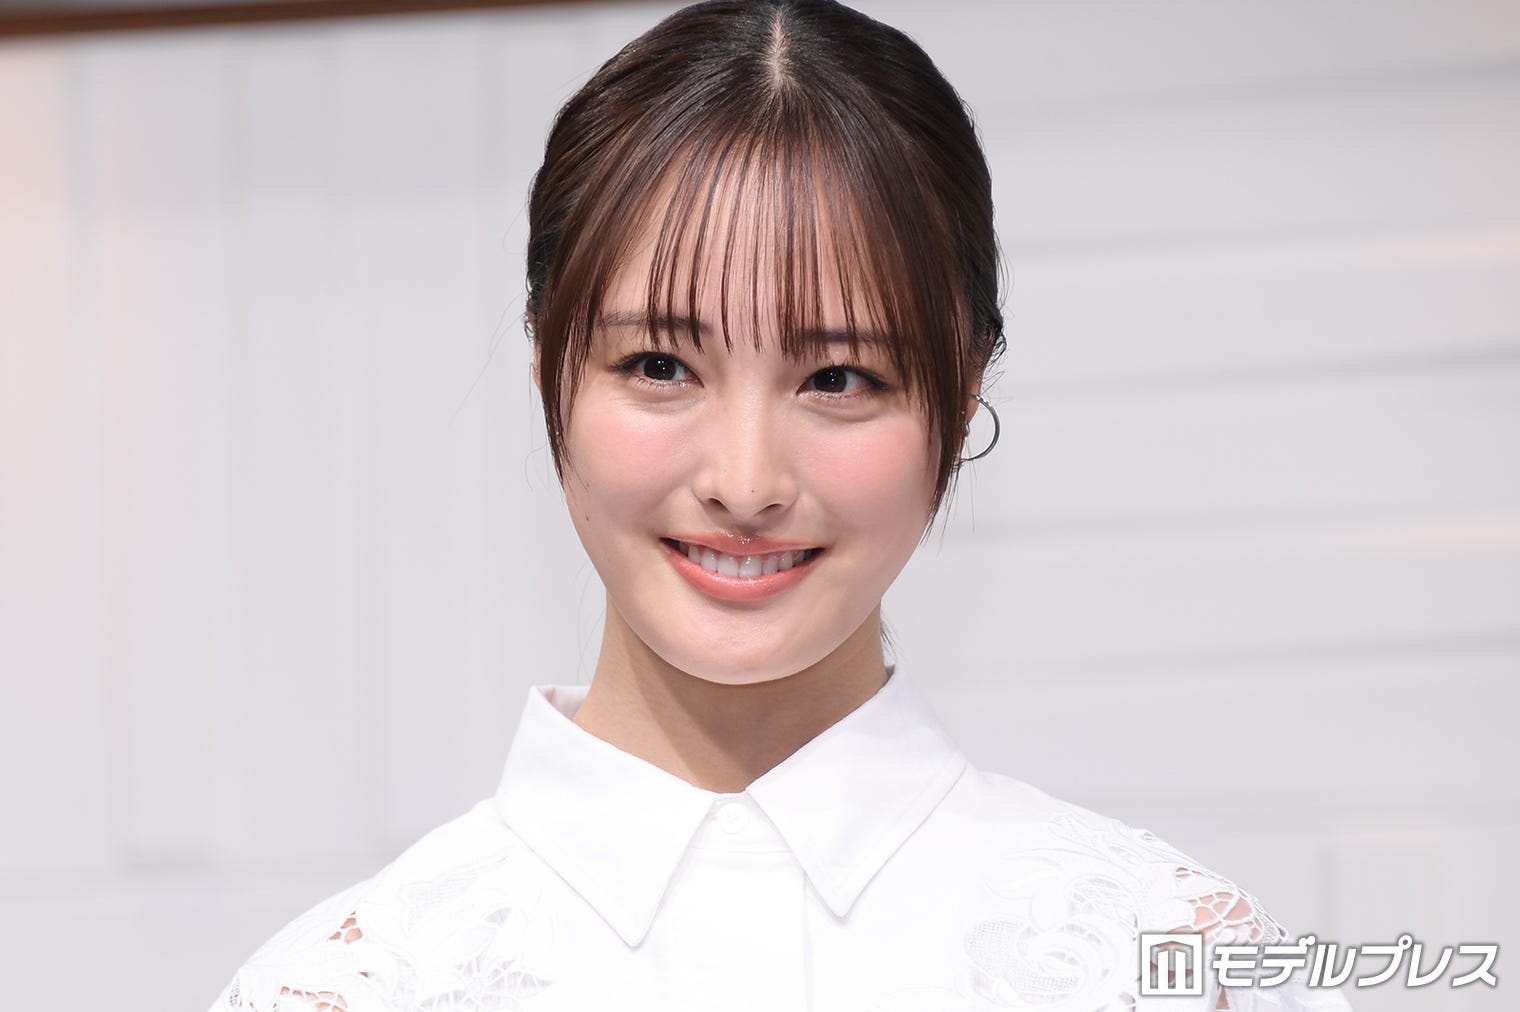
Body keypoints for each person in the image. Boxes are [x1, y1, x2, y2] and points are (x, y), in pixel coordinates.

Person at [212, 2, 1352, 1009]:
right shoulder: (340, 989)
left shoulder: (1177, 964)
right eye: (660, 365)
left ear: (960, 394)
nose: (746, 482)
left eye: (837, 377)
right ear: (549, 362)